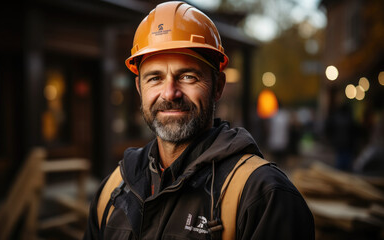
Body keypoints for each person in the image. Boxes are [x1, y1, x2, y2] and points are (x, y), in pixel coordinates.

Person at [83, 1, 314, 239]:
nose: (170, 93)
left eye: (188, 76)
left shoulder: (262, 196)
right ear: (139, 88)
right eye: (155, 78)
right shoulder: (113, 191)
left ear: (218, 87)